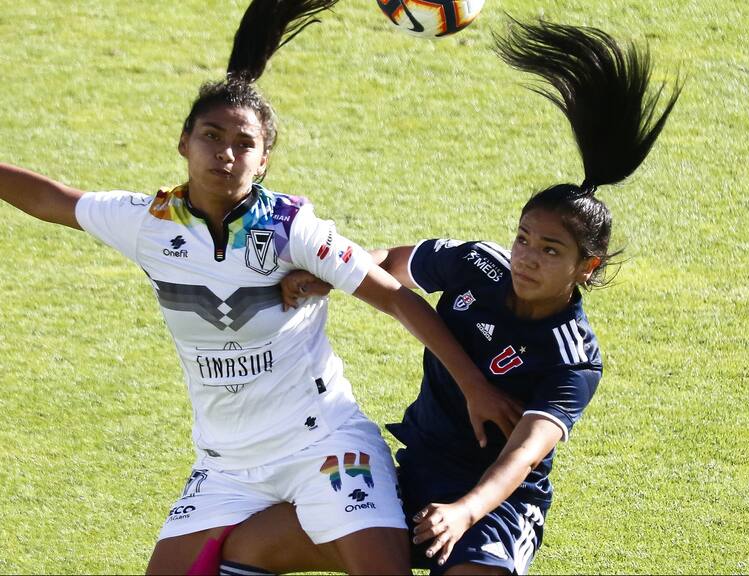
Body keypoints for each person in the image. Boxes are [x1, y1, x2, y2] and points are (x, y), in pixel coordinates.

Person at [0, 2, 521, 574]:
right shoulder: (148, 221)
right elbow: (53, 199)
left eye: (244, 143)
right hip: (225, 465)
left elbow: (395, 296)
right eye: (210, 136)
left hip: (326, 445)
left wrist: (472, 384)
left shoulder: (291, 228)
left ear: (264, 160)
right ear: (183, 143)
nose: (225, 152)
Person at [215, 17, 683, 576]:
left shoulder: (573, 357)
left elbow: (523, 454)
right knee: (249, 547)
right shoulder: (477, 264)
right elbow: (393, 264)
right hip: (410, 474)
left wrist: (463, 512)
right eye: (524, 238)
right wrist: (323, 277)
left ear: (588, 267)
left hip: (496, 505)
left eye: (550, 251)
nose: (527, 257)